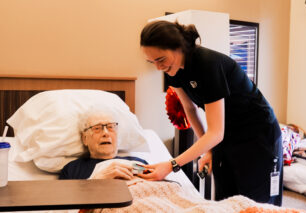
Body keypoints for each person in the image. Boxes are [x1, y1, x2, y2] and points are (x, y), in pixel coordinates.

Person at [139, 20, 283, 206]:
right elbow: (190, 109)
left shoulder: (207, 63)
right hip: (226, 134)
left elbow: (216, 132)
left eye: (160, 59)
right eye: (151, 62)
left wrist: (171, 165)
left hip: (258, 135)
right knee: (227, 200)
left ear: (178, 46)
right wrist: (208, 150)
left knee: (256, 203)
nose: (158, 67)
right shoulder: (172, 71)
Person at [59, 108, 148, 180]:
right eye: (97, 128)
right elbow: (66, 200)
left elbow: (154, 183)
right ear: (85, 138)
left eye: (111, 127)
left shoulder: (137, 163)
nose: (106, 133)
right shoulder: (73, 170)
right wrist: (96, 181)